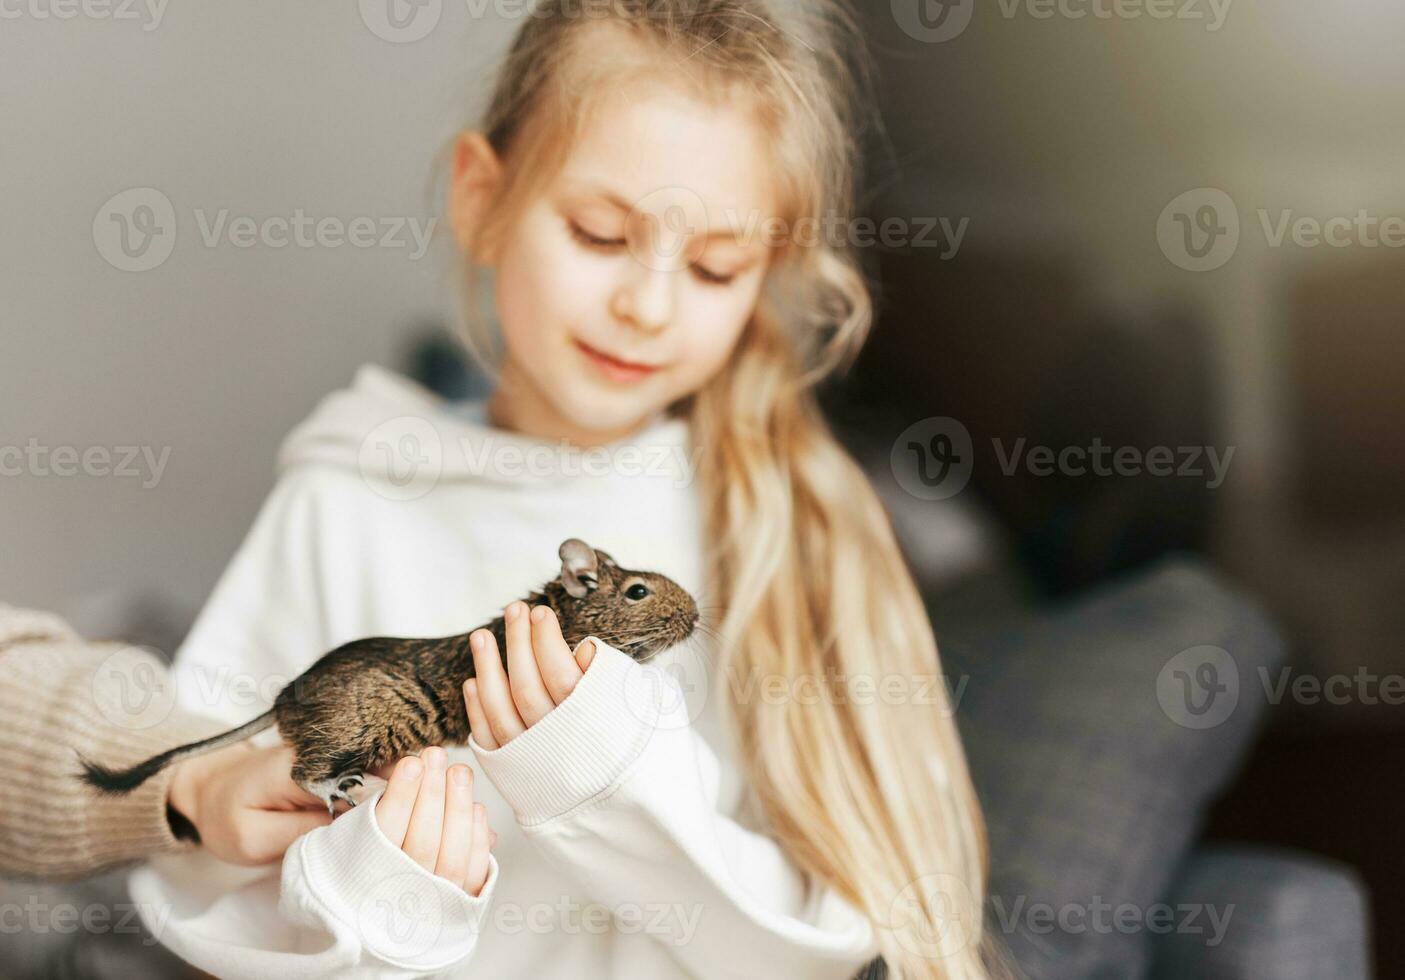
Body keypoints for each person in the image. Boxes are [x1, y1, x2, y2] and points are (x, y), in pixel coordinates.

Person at [125, 2, 994, 977]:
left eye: (714, 267)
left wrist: (602, 778)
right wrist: (377, 882)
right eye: (598, 233)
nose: (647, 304)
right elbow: (193, 881)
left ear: (767, 274)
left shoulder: (785, 525)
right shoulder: (347, 499)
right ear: (480, 199)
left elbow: (825, 939)